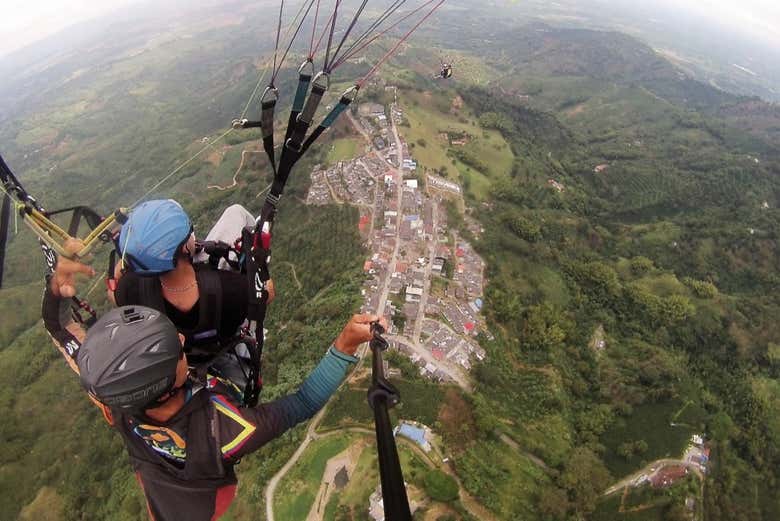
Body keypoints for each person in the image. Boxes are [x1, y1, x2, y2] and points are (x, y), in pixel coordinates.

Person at [44, 240, 387, 521]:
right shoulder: (225, 430)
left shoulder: (111, 390)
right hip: (206, 499)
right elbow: (302, 403)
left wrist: (55, 290)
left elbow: (60, 330)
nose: (181, 339)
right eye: (175, 351)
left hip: (160, 482)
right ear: (167, 390)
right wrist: (345, 344)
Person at [110, 200, 275, 398]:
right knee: (236, 211)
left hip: (184, 357)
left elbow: (114, 296)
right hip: (225, 341)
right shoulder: (234, 288)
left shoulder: (130, 289)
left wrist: (125, 270)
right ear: (185, 248)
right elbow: (265, 295)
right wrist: (259, 269)